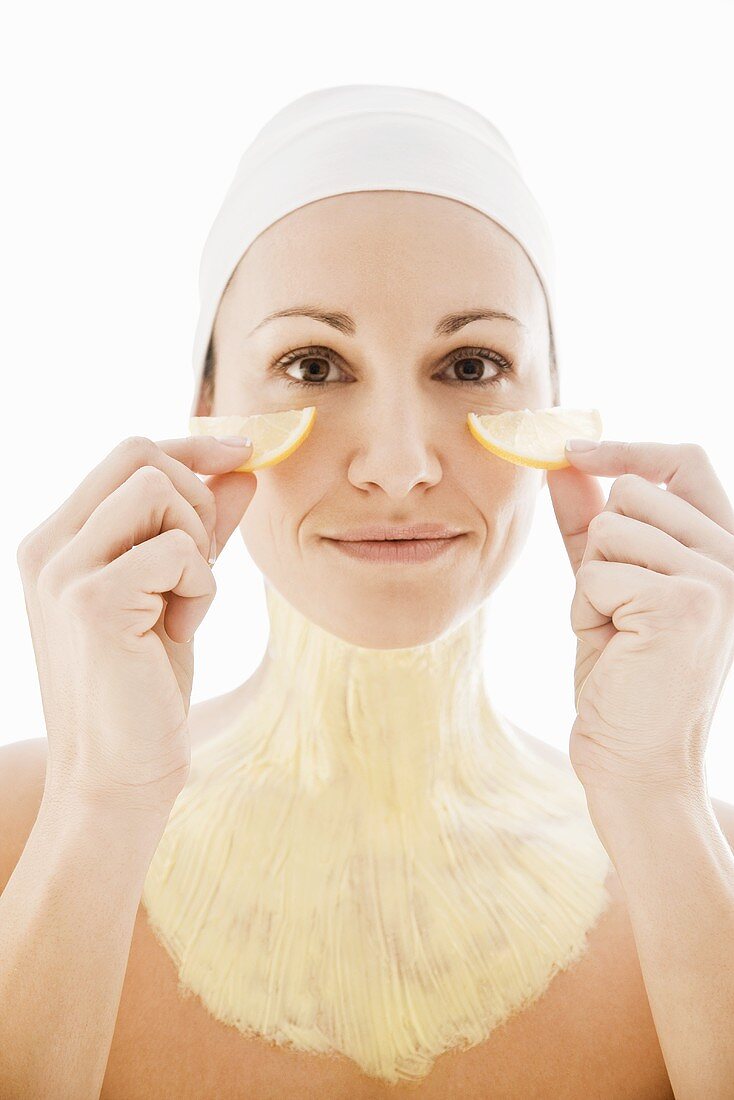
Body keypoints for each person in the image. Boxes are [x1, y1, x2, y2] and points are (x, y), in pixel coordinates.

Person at [5, 83, 728, 1098]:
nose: (397, 464)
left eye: (471, 362)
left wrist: (655, 790)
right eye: (312, 362)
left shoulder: (701, 859)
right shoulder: (25, 825)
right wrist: (99, 800)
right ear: (206, 412)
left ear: (556, 418)